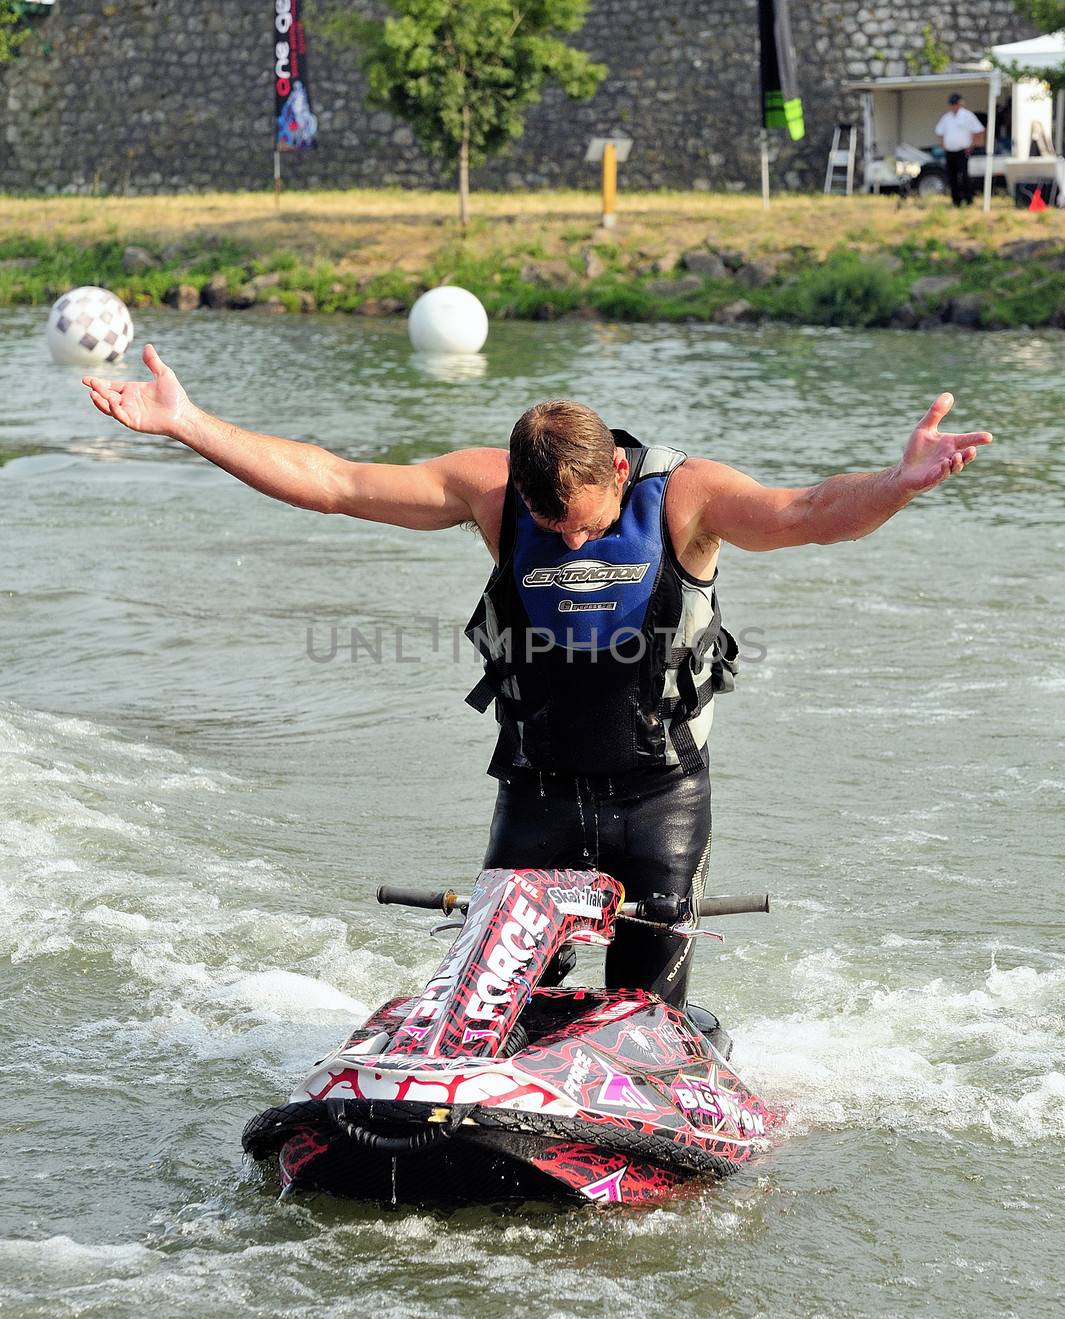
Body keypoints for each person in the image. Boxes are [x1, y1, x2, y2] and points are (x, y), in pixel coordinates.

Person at [82, 349, 992, 1011]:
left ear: (620, 473)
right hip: (536, 796)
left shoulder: (686, 497)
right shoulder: (491, 492)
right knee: (491, 1006)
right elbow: (335, 480)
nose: (568, 544)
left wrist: (898, 482)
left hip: (659, 802)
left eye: (586, 528)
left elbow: (808, 513)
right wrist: (185, 423)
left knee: (642, 1012)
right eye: (548, 531)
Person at [935, 92, 985, 207]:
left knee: (964, 176)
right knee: (952, 176)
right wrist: (943, 145)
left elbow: (979, 131)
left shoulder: (967, 116)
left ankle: (968, 199)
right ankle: (955, 200)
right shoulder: (946, 117)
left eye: (955, 104)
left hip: (963, 151)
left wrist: (972, 145)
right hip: (950, 151)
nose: (953, 106)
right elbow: (939, 132)